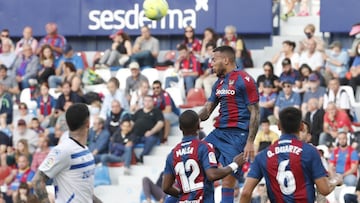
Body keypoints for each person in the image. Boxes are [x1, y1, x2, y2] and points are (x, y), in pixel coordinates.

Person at [240, 107, 343, 203]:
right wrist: (336, 180)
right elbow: (324, 190)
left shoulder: (263, 155)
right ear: (301, 126)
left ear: (279, 126)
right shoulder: (310, 152)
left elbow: (245, 193)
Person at [198, 45, 259, 202]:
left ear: (225, 60)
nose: (211, 63)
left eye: (214, 59)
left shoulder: (244, 80)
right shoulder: (218, 83)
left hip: (238, 134)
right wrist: (194, 119)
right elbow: (208, 110)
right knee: (197, 163)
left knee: (228, 178)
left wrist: (250, 141)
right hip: (218, 133)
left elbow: (255, 112)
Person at [162, 110, 246, 202]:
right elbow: (212, 175)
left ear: (180, 127)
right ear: (198, 126)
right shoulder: (204, 147)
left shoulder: (172, 153)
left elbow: (166, 187)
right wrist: (234, 165)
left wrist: (184, 196)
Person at [32, 103, 101, 203]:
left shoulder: (85, 150)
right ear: (88, 123)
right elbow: (37, 181)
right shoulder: (64, 150)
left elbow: (86, 191)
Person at [132, 95, 164, 163]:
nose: (147, 102)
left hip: (150, 135)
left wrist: (151, 132)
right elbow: (131, 123)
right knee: (129, 139)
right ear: (143, 102)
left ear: (153, 102)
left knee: (151, 139)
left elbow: (160, 123)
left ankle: (142, 156)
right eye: (146, 101)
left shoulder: (157, 111)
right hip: (137, 135)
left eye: (149, 101)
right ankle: (133, 158)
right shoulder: (139, 112)